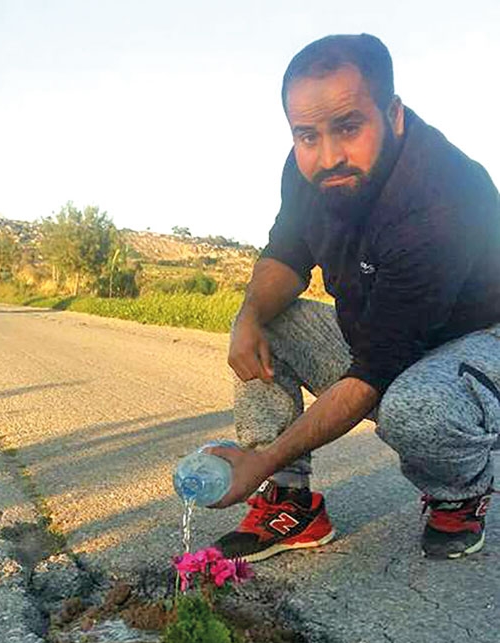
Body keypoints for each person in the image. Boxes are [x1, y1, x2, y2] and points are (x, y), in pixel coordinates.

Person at [211, 33, 500, 562]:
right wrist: (247, 315)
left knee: (415, 406)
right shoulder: (308, 169)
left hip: (481, 343)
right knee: (269, 322)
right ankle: (290, 503)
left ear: (392, 113)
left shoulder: (444, 197)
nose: (328, 156)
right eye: (306, 135)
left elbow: (376, 371)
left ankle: (460, 493)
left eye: (348, 127)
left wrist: (267, 456)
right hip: (389, 335)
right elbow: (287, 252)